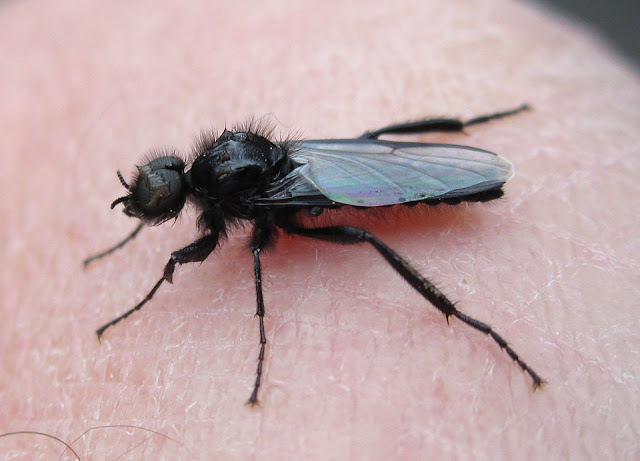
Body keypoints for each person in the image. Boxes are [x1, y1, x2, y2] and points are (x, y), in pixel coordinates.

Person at [1, 0, 638, 459]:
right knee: (372, 144)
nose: (159, 194)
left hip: (314, 184)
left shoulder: (229, 201)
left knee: (362, 234)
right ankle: (469, 127)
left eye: (156, 199)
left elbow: (256, 255)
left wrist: (259, 340)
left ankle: (469, 320)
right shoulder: (219, 171)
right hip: (310, 164)